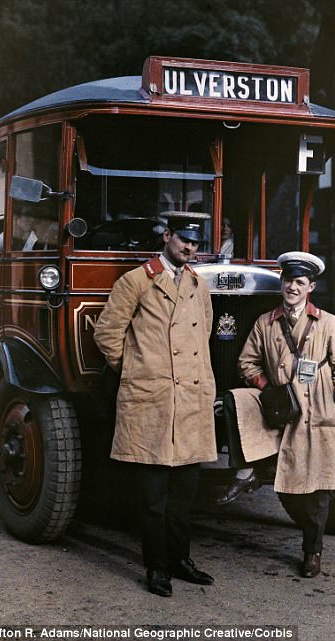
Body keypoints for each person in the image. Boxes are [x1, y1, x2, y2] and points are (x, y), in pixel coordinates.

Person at [93, 212, 217, 597]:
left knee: (184, 495)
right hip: (152, 402)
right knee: (153, 498)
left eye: (195, 243)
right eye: (183, 240)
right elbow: (107, 333)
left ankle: (180, 560)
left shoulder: (198, 284)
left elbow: (205, 333)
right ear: (167, 236)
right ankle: (156, 567)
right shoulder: (137, 281)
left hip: (190, 403)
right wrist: (138, 370)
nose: (189, 247)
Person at [215, 251, 335, 578]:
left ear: (311, 287)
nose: (292, 288)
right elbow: (246, 363)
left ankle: (313, 552)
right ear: (282, 283)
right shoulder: (265, 323)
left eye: (300, 282)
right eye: (288, 281)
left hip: (318, 412)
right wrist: (267, 388)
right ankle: (248, 471)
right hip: (281, 410)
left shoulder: (328, 323)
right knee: (286, 480)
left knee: (319, 488)